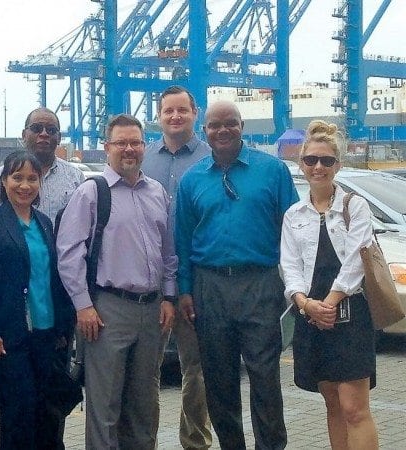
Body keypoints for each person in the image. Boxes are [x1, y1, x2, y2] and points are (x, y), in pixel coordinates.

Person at [176, 100, 298, 450]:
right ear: (205, 131)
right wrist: (185, 291)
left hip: (260, 283)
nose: (223, 130)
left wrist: (292, 286)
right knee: (218, 380)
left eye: (230, 123)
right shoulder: (192, 179)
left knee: (264, 376)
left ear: (242, 126)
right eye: (215, 125)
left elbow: (292, 231)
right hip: (209, 287)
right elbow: (182, 240)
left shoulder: (272, 171)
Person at [57, 114, 178, 449]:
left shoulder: (156, 192)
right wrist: (83, 305)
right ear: (107, 147)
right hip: (107, 311)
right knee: (105, 406)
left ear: (144, 146)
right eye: (121, 143)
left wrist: (168, 296)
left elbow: (168, 251)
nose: (129, 149)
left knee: (144, 406)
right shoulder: (92, 193)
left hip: (151, 310)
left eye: (136, 143)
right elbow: (69, 253)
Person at [280, 120, 379, 449]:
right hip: (312, 319)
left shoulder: (355, 206)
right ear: (302, 164)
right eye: (311, 160)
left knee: (355, 408)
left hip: (350, 318)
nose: (318, 167)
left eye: (326, 161)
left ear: (338, 164)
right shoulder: (294, 214)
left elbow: (356, 262)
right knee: (333, 405)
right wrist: (305, 303)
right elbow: (289, 265)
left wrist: (330, 302)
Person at [0, 151, 76, 449]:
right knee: (18, 418)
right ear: (4, 181)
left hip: (46, 335)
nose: (25, 185)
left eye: (32, 178)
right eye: (17, 178)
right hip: (8, 339)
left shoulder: (44, 223)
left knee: (49, 416)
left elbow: (54, 278)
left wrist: (64, 330)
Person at [141, 85, 212, 449]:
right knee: (146, 370)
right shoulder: (142, 157)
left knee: (196, 370)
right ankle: (144, 441)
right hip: (149, 280)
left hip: (194, 280)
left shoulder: (211, 158)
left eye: (182, 110)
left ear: (195, 112)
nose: (175, 117)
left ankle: (194, 441)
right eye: (168, 110)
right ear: (159, 115)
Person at [0, 107, 85, 221]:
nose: (44, 134)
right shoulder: (2, 175)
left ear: (59, 138)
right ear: (24, 135)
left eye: (51, 130)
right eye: (36, 128)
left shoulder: (76, 177)